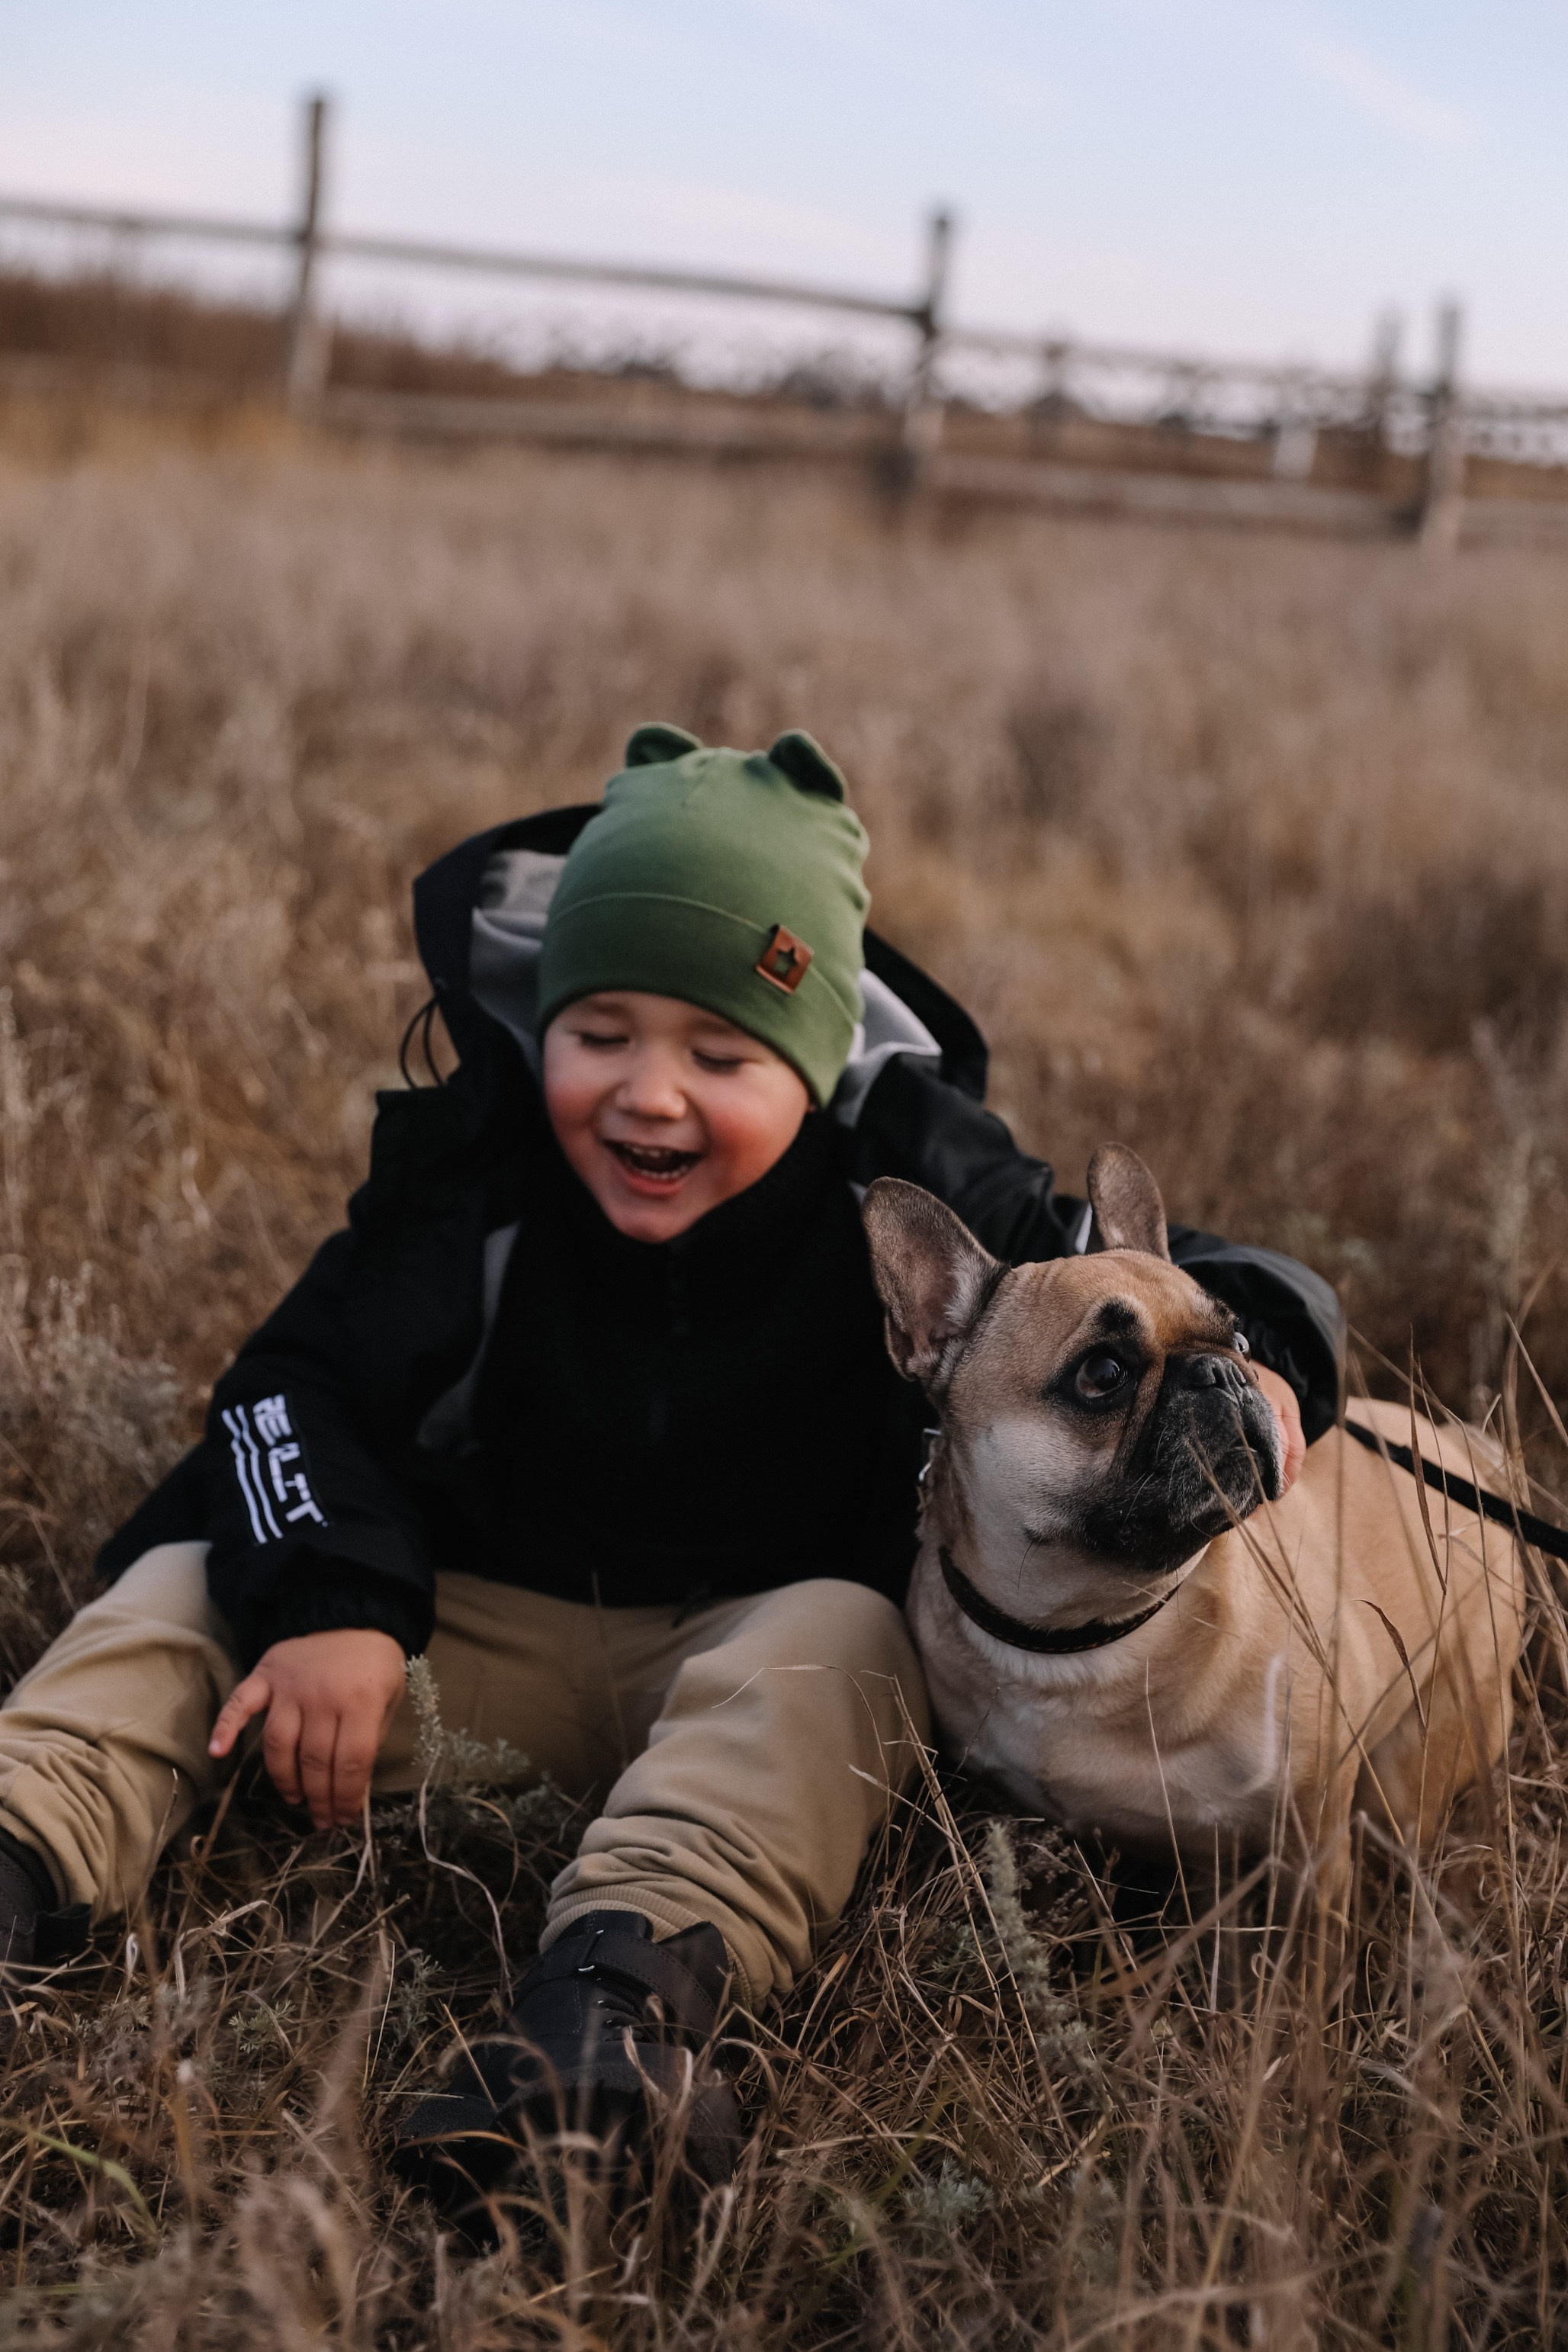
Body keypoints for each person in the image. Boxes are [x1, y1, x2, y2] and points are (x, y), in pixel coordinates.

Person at [0, 724, 1335, 2199]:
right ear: (544, 1031)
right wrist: (338, 1606)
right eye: (601, 1035)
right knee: (195, 1580)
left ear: (817, 1062)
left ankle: (607, 2026)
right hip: (460, 1646)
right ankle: (24, 1843)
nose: (651, 1093)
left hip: (741, 1653)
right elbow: (281, 1394)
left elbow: (1178, 1282)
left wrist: (1263, 1347)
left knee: (850, 1641)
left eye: (722, 1053)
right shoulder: (480, 1178)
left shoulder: (920, 1187)